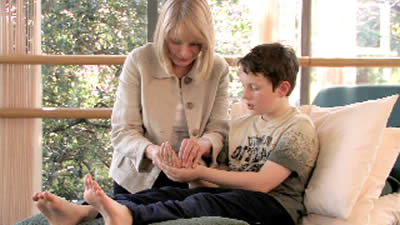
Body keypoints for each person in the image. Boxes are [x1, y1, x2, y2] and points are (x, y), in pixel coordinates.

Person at [32, 43, 319, 225]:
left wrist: (197, 176)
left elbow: (262, 184)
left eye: (253, 87)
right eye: (243, 86)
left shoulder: (298, 128)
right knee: (161, 193)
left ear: (283, 88)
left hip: (275, 207)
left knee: (201, 201)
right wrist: (186, 169)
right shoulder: (243, 124)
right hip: (236, 196)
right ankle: (81, 212)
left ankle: (127, 217)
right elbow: (224, 171)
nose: (244, 96)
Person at [110, 0, 230, 195]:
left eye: (195, 44)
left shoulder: (218, 69)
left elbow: (219, 130)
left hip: (195, 176)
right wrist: (152, 152)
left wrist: (200, 146)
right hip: (139, 176)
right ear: (162, 34)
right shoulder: (139, 61)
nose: (184, 53)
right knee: (133, 211)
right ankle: (86, 210)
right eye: (175, 41)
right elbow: (123, 131)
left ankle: (87, 209)